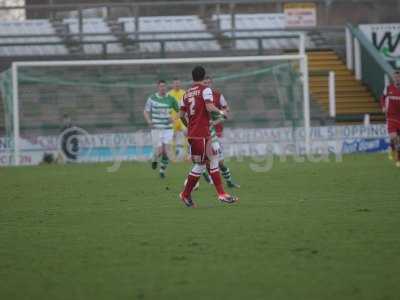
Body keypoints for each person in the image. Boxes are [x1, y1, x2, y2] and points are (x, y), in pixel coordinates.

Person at [179, 66, 238, 207]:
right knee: (208, 162)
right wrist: (222, 113)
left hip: (194, 133)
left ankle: (188, 194)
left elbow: (181, 116)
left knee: (206, 162)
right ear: (204, 77)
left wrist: (189, 126)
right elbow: (209, 107)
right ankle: (219, 194)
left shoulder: (186, 94)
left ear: (192, 77)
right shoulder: (205, 90)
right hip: (201, 134)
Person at [204, 76, 240, 188]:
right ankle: (207, 177)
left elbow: (226, 111)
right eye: (205, 83)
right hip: (202, 134)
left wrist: (216, 121)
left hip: (215, 132)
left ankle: (228, 181)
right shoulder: (199, 97)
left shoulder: (218, 96)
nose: (207, 85)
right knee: (205, 160)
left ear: (211, 83)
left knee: (220, 162)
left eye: (209, 83)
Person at [144, 80, 179, 178]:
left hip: (168, 129)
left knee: (166, 151)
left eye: (164, 86)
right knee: (159, 151)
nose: (163, 88)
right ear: (158, 87)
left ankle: (162, 170)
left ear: (166, 87)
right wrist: (149, 121)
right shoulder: (152, 98)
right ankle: (154, 159)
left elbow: (180, 111)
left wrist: (173, 118)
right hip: (156, 128)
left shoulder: (171, 99)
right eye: (161, 86)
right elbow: (146, 111)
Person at [380, 70, 400, 167]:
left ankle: (398, 159)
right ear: (393, 78)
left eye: (398, 76)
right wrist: (383, 106)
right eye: (395, 77)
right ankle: (392, 149)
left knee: (398, 140)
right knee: (394, 138)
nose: (397, 78)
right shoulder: (388, 88)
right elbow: (382, 98)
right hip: (391, 117)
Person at [168, 78, 187, 161]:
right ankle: (173, 158)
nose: (177, 85)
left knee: (187, 134)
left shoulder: (184, 93)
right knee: (172, 137)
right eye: (175, 83)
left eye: (178, 83)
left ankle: (186, 156)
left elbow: (187, 106)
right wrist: (168, 117)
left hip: (182, 118)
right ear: (173, 84)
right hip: (173, 119)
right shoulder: (169, 94)